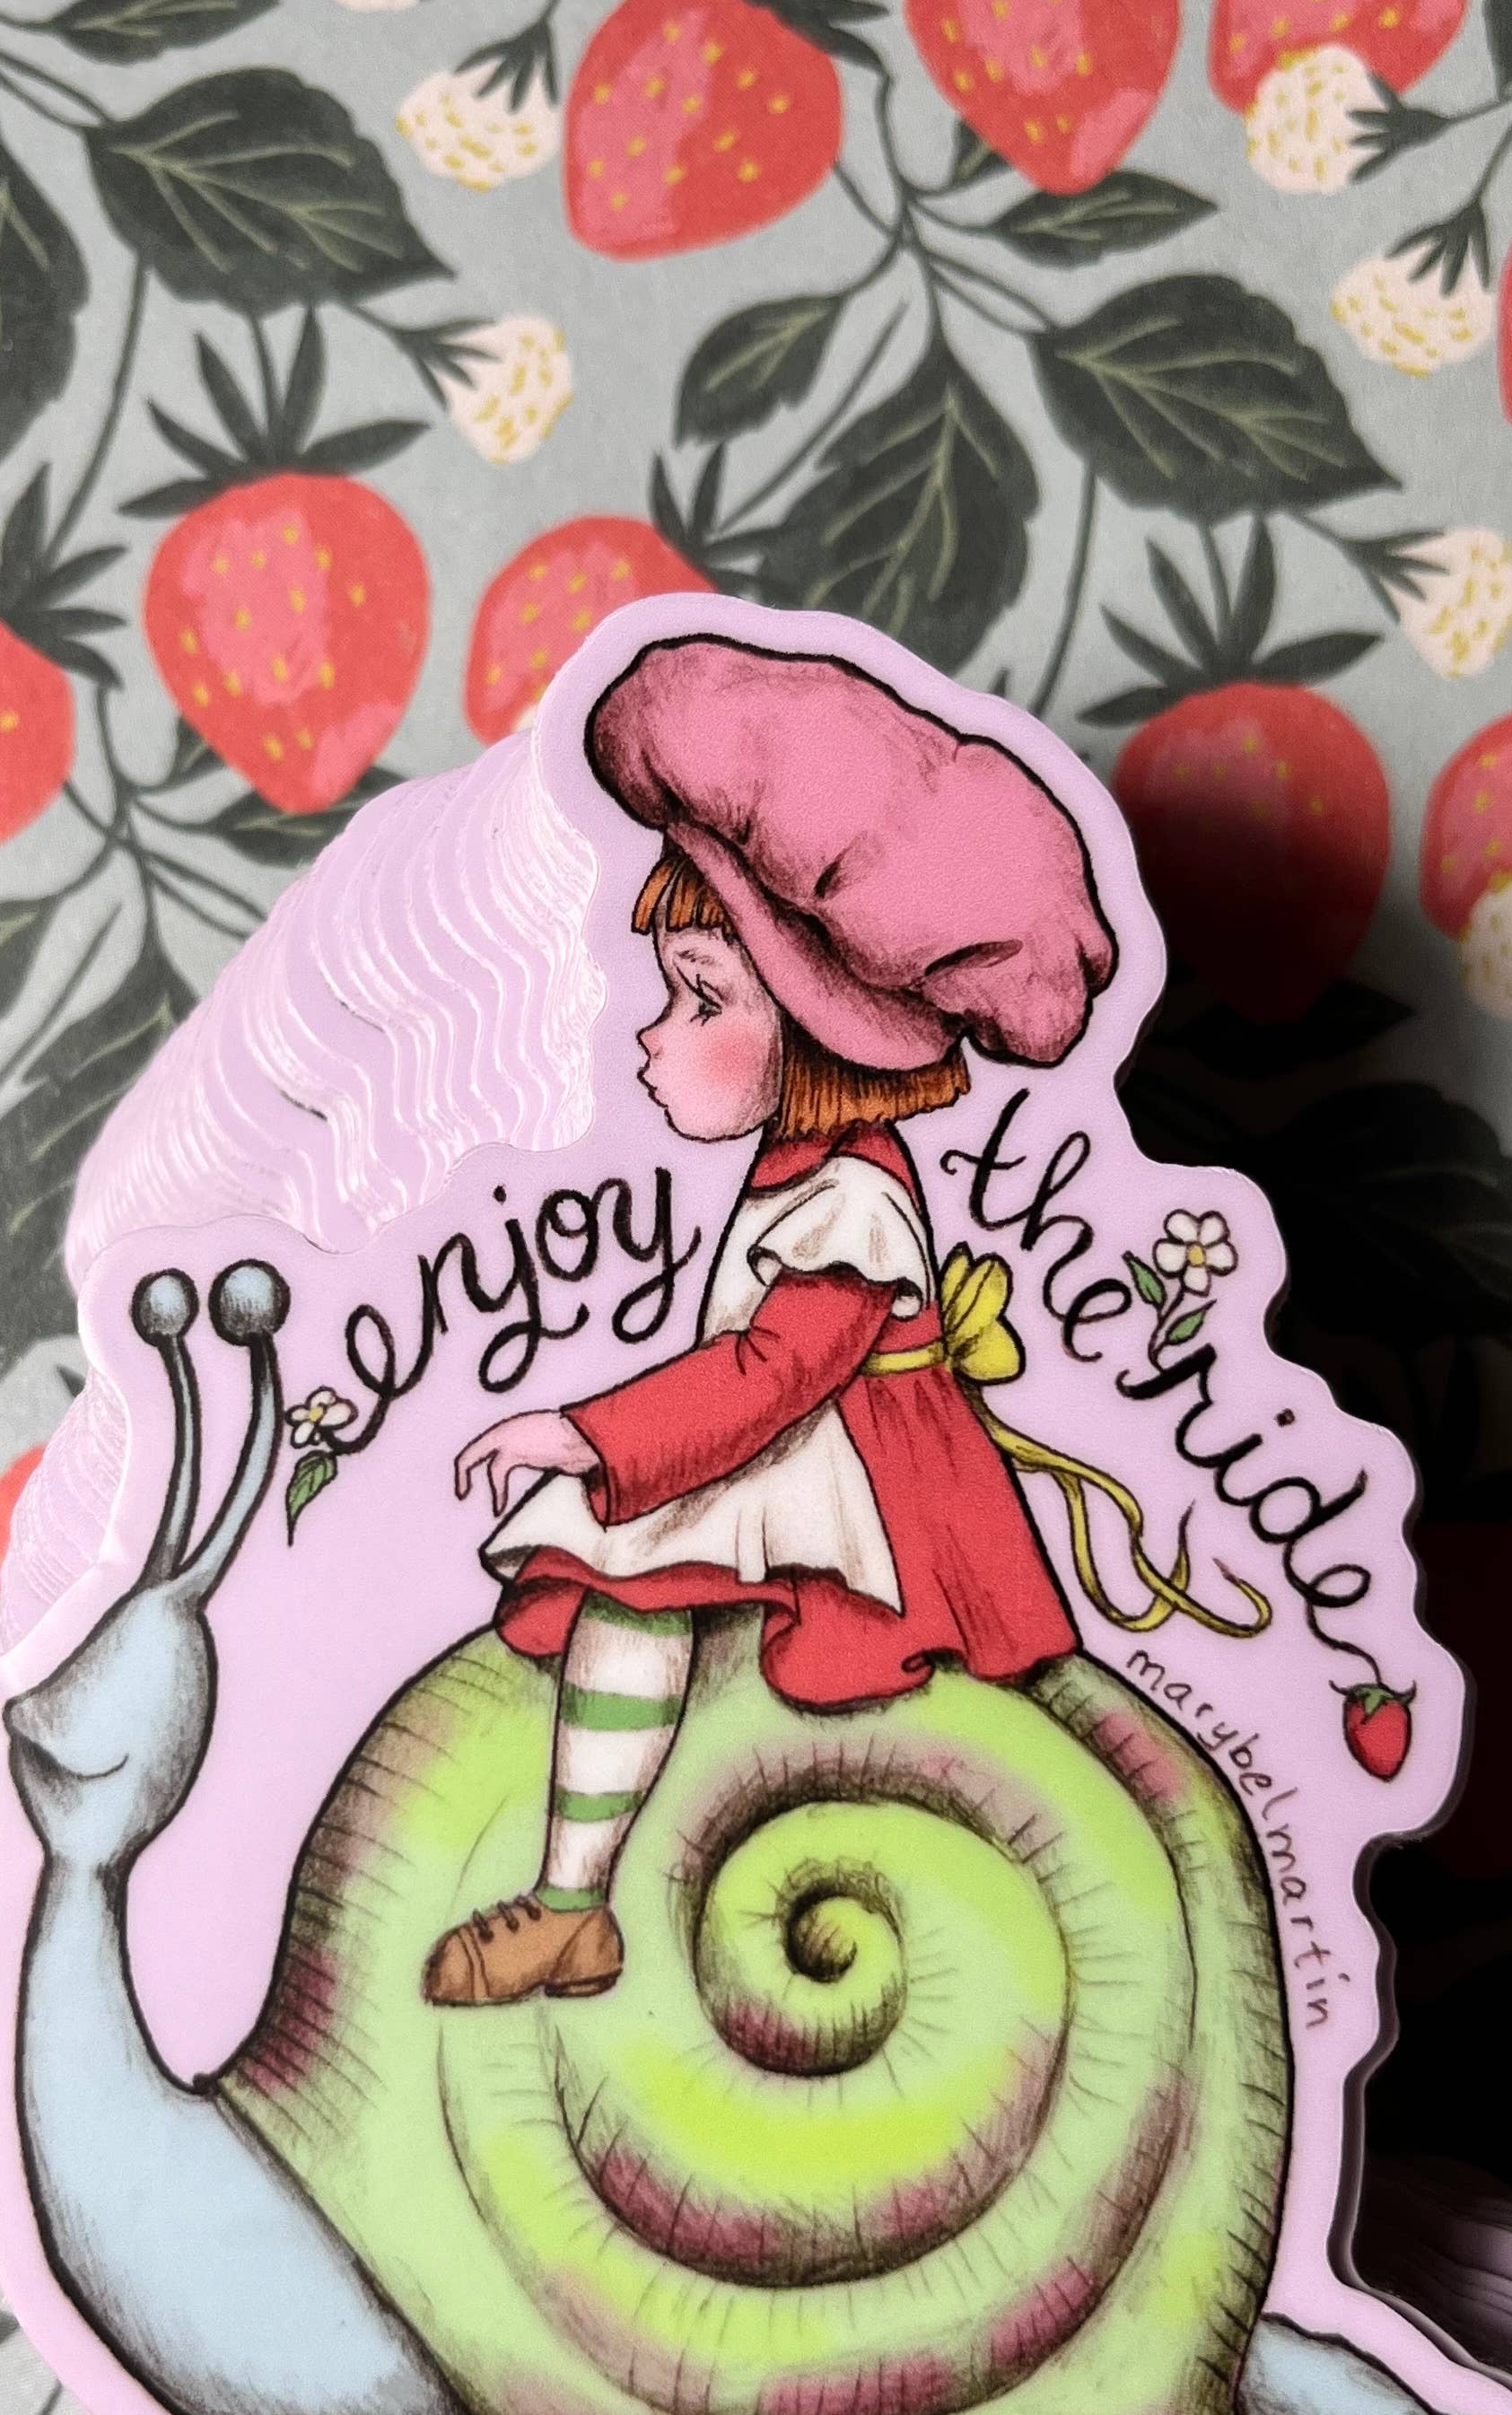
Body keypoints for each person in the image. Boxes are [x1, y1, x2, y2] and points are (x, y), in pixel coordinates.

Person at [423, 634, 1121, 2009]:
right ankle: (577, 1907)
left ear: (826, 1030)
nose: (651, 1037)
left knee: (626, 1581)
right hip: (801, 1454)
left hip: (858, 1483)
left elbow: (772, 1372)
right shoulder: (802, 1170)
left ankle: (571, 1903)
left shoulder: (854, 1197)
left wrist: (586, 1434)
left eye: (700, 998)